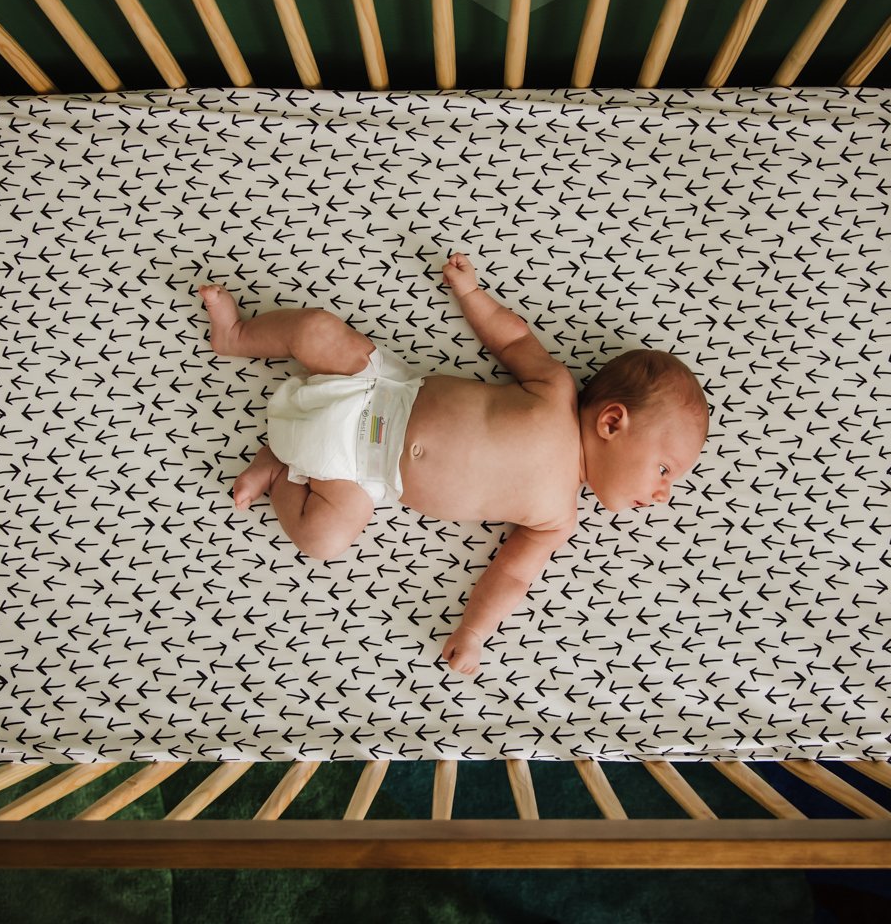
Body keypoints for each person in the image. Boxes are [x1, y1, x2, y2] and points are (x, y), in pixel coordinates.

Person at [199, 252, 709, 677]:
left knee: (324, 539)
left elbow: (512, 576)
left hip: (361, 470)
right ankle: (237, 336)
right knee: (314, 328)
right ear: (613, 422)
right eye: (665, 469)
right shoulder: (555, 390)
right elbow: (511, 340)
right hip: (377, 388)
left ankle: (281, 468)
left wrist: (474, 632)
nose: (664, 494)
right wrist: (471, 294)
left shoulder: (557, 518)